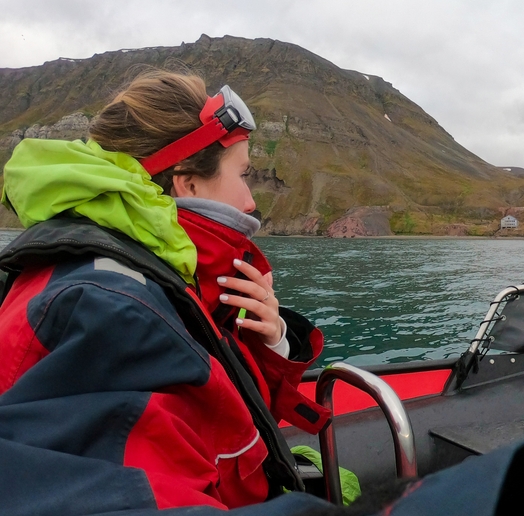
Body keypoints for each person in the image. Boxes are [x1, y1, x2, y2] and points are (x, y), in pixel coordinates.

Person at [0, 70, 330, 513]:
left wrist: (272, 342)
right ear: (188, 183)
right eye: (243, 174)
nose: (251, 201)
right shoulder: (109, 311)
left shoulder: (146, 271)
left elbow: (215, 421)